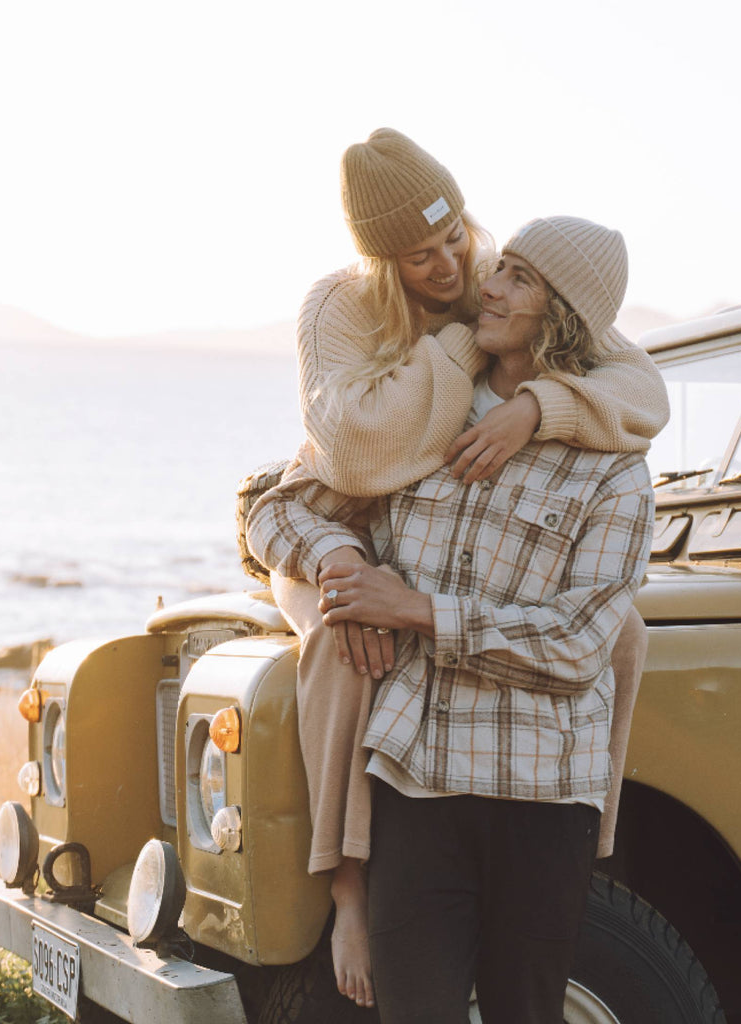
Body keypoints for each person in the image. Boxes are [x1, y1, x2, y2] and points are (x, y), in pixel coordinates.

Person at [246, 129, 668, 1008]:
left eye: (504, 271)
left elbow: (582, 641)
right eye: (488, 265)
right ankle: (346, 889)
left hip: (544, 794)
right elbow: (297, 492)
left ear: (553, 315)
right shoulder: (416, 415)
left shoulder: (613, 462)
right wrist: (344, 561)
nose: (473, 275)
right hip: (419, 785)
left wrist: (417, 609)